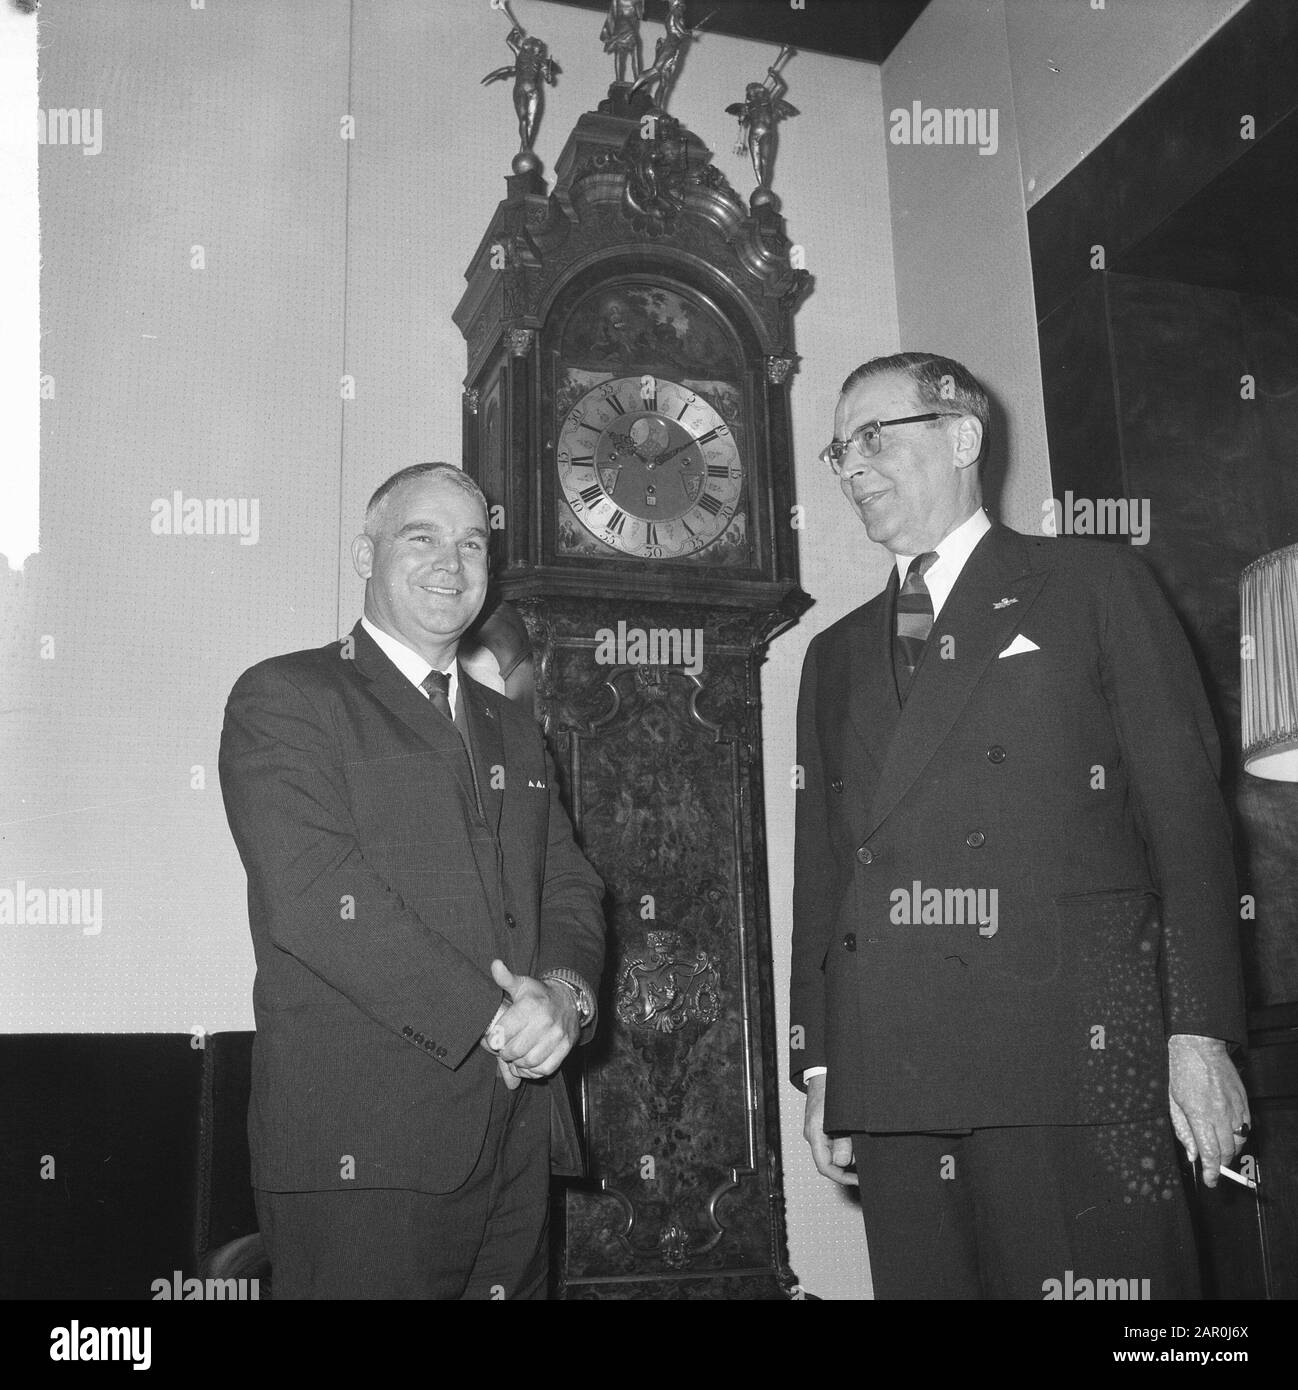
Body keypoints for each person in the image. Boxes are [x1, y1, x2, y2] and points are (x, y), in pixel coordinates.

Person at [790, 352, 1250, 1299]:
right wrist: (825, 1059)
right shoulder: (832, 656)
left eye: (875, 437)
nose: (853, 468)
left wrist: (1199, 1034)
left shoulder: (1091, 582)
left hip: (1075, 1056)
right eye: (840, 452)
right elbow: (826, 874)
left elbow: (1188, 823)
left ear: (962, 436)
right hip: (899, 1072)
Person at [219, 462, 604, 1299]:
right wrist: (499, 1021)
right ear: (366, 553)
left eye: (472, 543)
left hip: (517, 1143)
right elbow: (316, 897)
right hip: (363, 1153)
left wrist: (564, 998)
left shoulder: (514, 727)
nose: (451, 562)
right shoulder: (287, 695)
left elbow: (570, 888)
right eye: (421, 538)